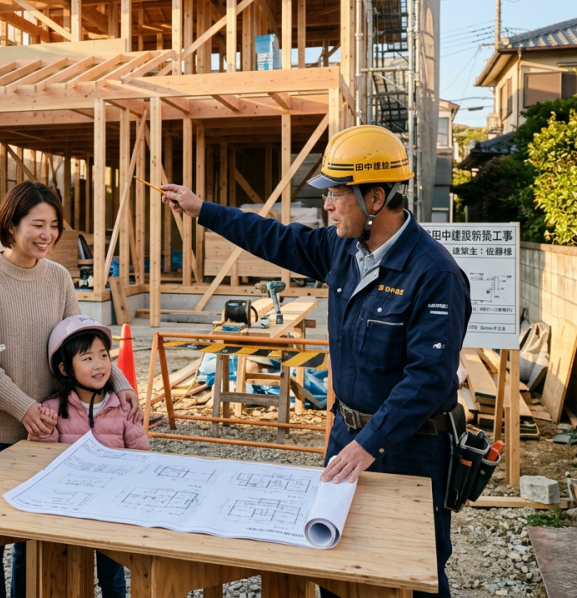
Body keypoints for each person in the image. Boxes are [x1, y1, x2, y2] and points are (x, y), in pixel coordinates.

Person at [161, 125, 470, 598]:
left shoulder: (435, 273)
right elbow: (274, 238)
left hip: (410, 448)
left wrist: (370, 443)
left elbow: (427, 378)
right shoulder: (342, 249)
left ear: (375, 199)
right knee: (334, 561)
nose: (326, 205)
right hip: (347, 435)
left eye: (336, 194)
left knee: (411, 574)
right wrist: (202, 209)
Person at [0, 181, 141, 598]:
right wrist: (24, 408)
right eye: (37, 224)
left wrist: (121, 383)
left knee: (31, 538)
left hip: (46, 431)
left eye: (54, 226)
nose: (47, 235)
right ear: (12, 223)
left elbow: (82, 342)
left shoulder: (58, 276)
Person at [29, 315, 149, 598]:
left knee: (113, 573)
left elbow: (142, 456)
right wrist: (45, 429)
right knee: (68, 571)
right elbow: (42, 459)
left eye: (104, 355)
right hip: (70, 507)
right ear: (64, 367)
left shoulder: (123, 408)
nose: (99, 364)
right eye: (87, 358)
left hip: (112, 506)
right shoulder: (52, 408)